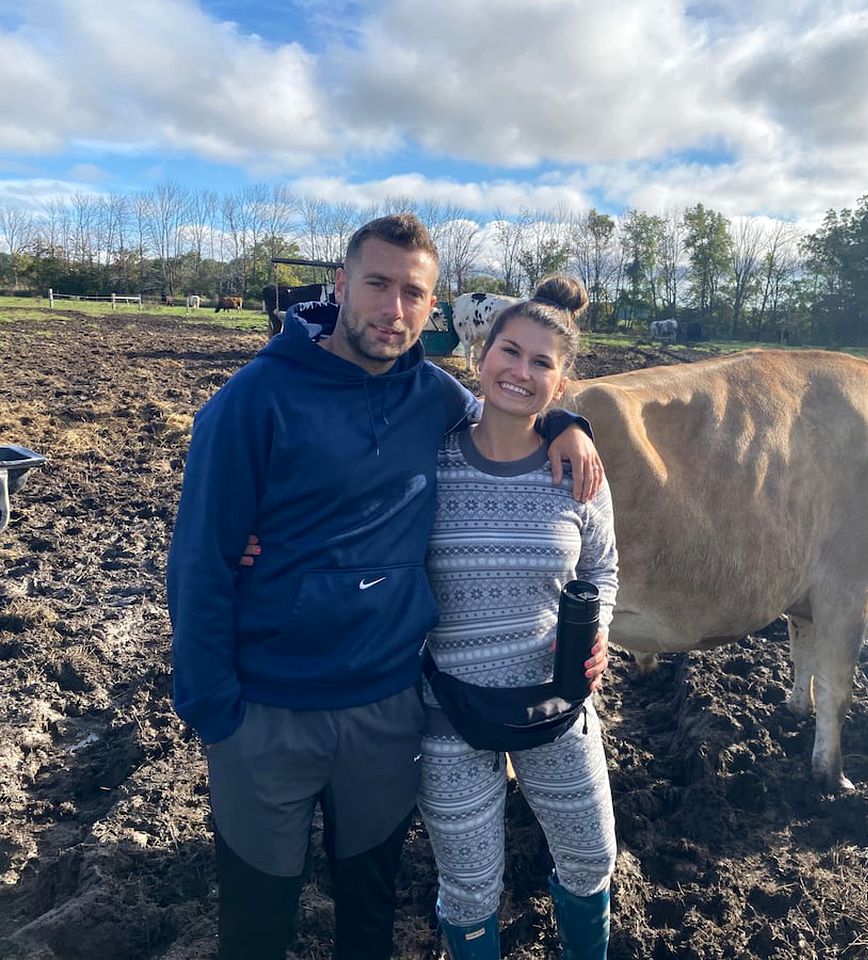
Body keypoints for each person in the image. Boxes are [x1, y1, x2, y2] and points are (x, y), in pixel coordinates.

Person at [167, 213, 605, 960]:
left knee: (368, 919)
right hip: (269, 712)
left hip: (386, 707)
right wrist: (214, 710)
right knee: (257, 921)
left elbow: (507, 412)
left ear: (434, 309)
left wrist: (569, 421)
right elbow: (200, 564)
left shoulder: (432, 396)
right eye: (376, 284)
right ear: (340, 285)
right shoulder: (252, 401)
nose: (393, 309)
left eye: (413, 293)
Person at [417, 277, 617, 960]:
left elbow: (601, 569)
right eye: (510, 351)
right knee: (469, 892)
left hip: (557, 704)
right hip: (450, 713)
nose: (521, 372)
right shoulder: (431, 458)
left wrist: (600, 632)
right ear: (481, 355)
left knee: (591, 863)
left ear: (562, 385)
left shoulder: (580, 474)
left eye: (542, 363)